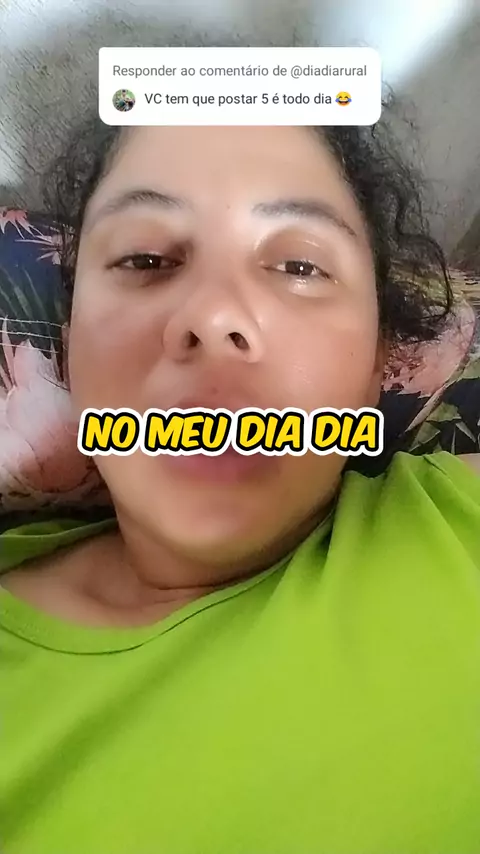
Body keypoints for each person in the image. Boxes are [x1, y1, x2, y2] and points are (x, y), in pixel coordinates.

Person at [1, 97, 479, 854]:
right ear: (70, 342)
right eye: (146, 260)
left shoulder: (458, 524)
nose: (215, 314)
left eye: (300, 266)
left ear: (377, 366)